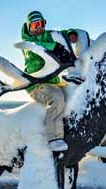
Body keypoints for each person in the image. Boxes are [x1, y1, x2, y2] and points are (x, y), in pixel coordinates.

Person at [21, 11, 78, 152]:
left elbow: (61, 35)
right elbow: (37, 47)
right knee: (57, 98)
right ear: (29, 27)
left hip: (52, 81)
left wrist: (70, 34)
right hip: (36, 84)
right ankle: (54, 138)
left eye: (41, 24)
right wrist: (55, 48)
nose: (39, 28)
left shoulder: (48, 35)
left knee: (74, 91)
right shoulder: (27, 43)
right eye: (35, 25)